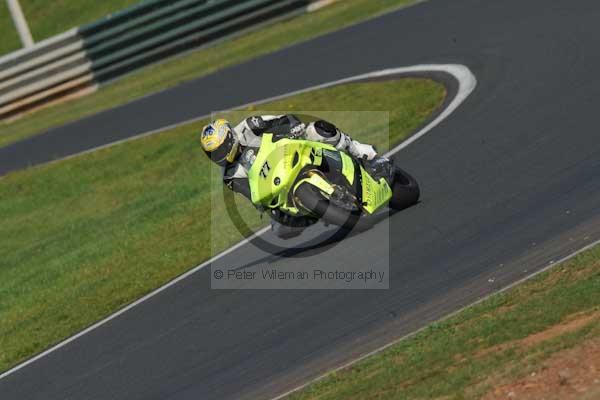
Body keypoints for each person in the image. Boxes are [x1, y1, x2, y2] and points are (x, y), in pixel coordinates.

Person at [200, 115, 379, 238]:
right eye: (213, 154)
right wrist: (270, 207)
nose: (219, 156)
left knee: (317, 130)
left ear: (230, 137)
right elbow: (253, 195)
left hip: (290, 150)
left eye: (221, 149)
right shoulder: (229, 176)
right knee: (280, 230)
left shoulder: (250, 125)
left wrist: (294, 128)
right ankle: (319, 210)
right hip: (275, 184)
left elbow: (285, 119)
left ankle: (358, 150)